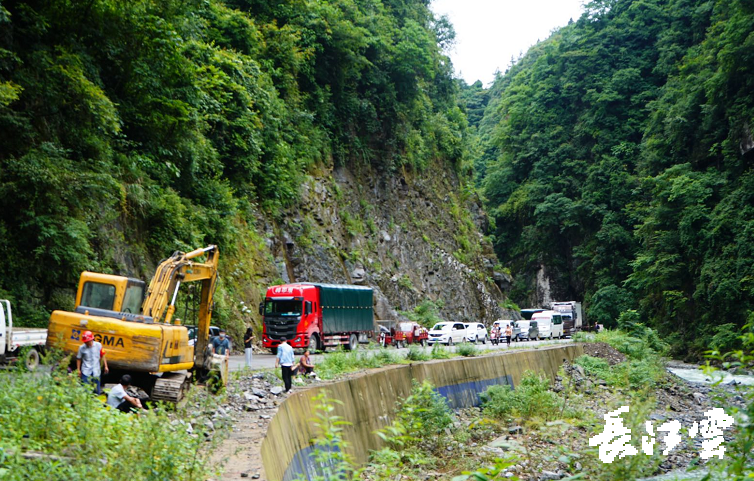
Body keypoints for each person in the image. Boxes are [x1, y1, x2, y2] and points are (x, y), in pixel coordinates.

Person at [76, 330, 108, 394]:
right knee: (85, 390)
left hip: (96, 371)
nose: (86, 343)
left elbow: (103, 355)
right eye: (85, 342)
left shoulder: (98, 345)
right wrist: (78, 370)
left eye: (88, 341)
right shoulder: (81, 348)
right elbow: (78, 358)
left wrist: (106, 366)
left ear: (92, 339)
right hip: (86, 371)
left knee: (96, 391)